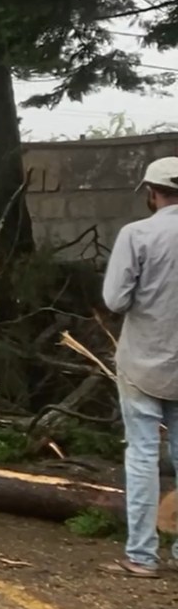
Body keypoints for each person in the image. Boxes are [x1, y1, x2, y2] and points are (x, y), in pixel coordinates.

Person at [102, 157, 178, 578]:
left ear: (152, 193)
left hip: (143, 359)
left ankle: (142, 555)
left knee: (143, 456)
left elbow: (115, 299)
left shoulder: (137, 235)